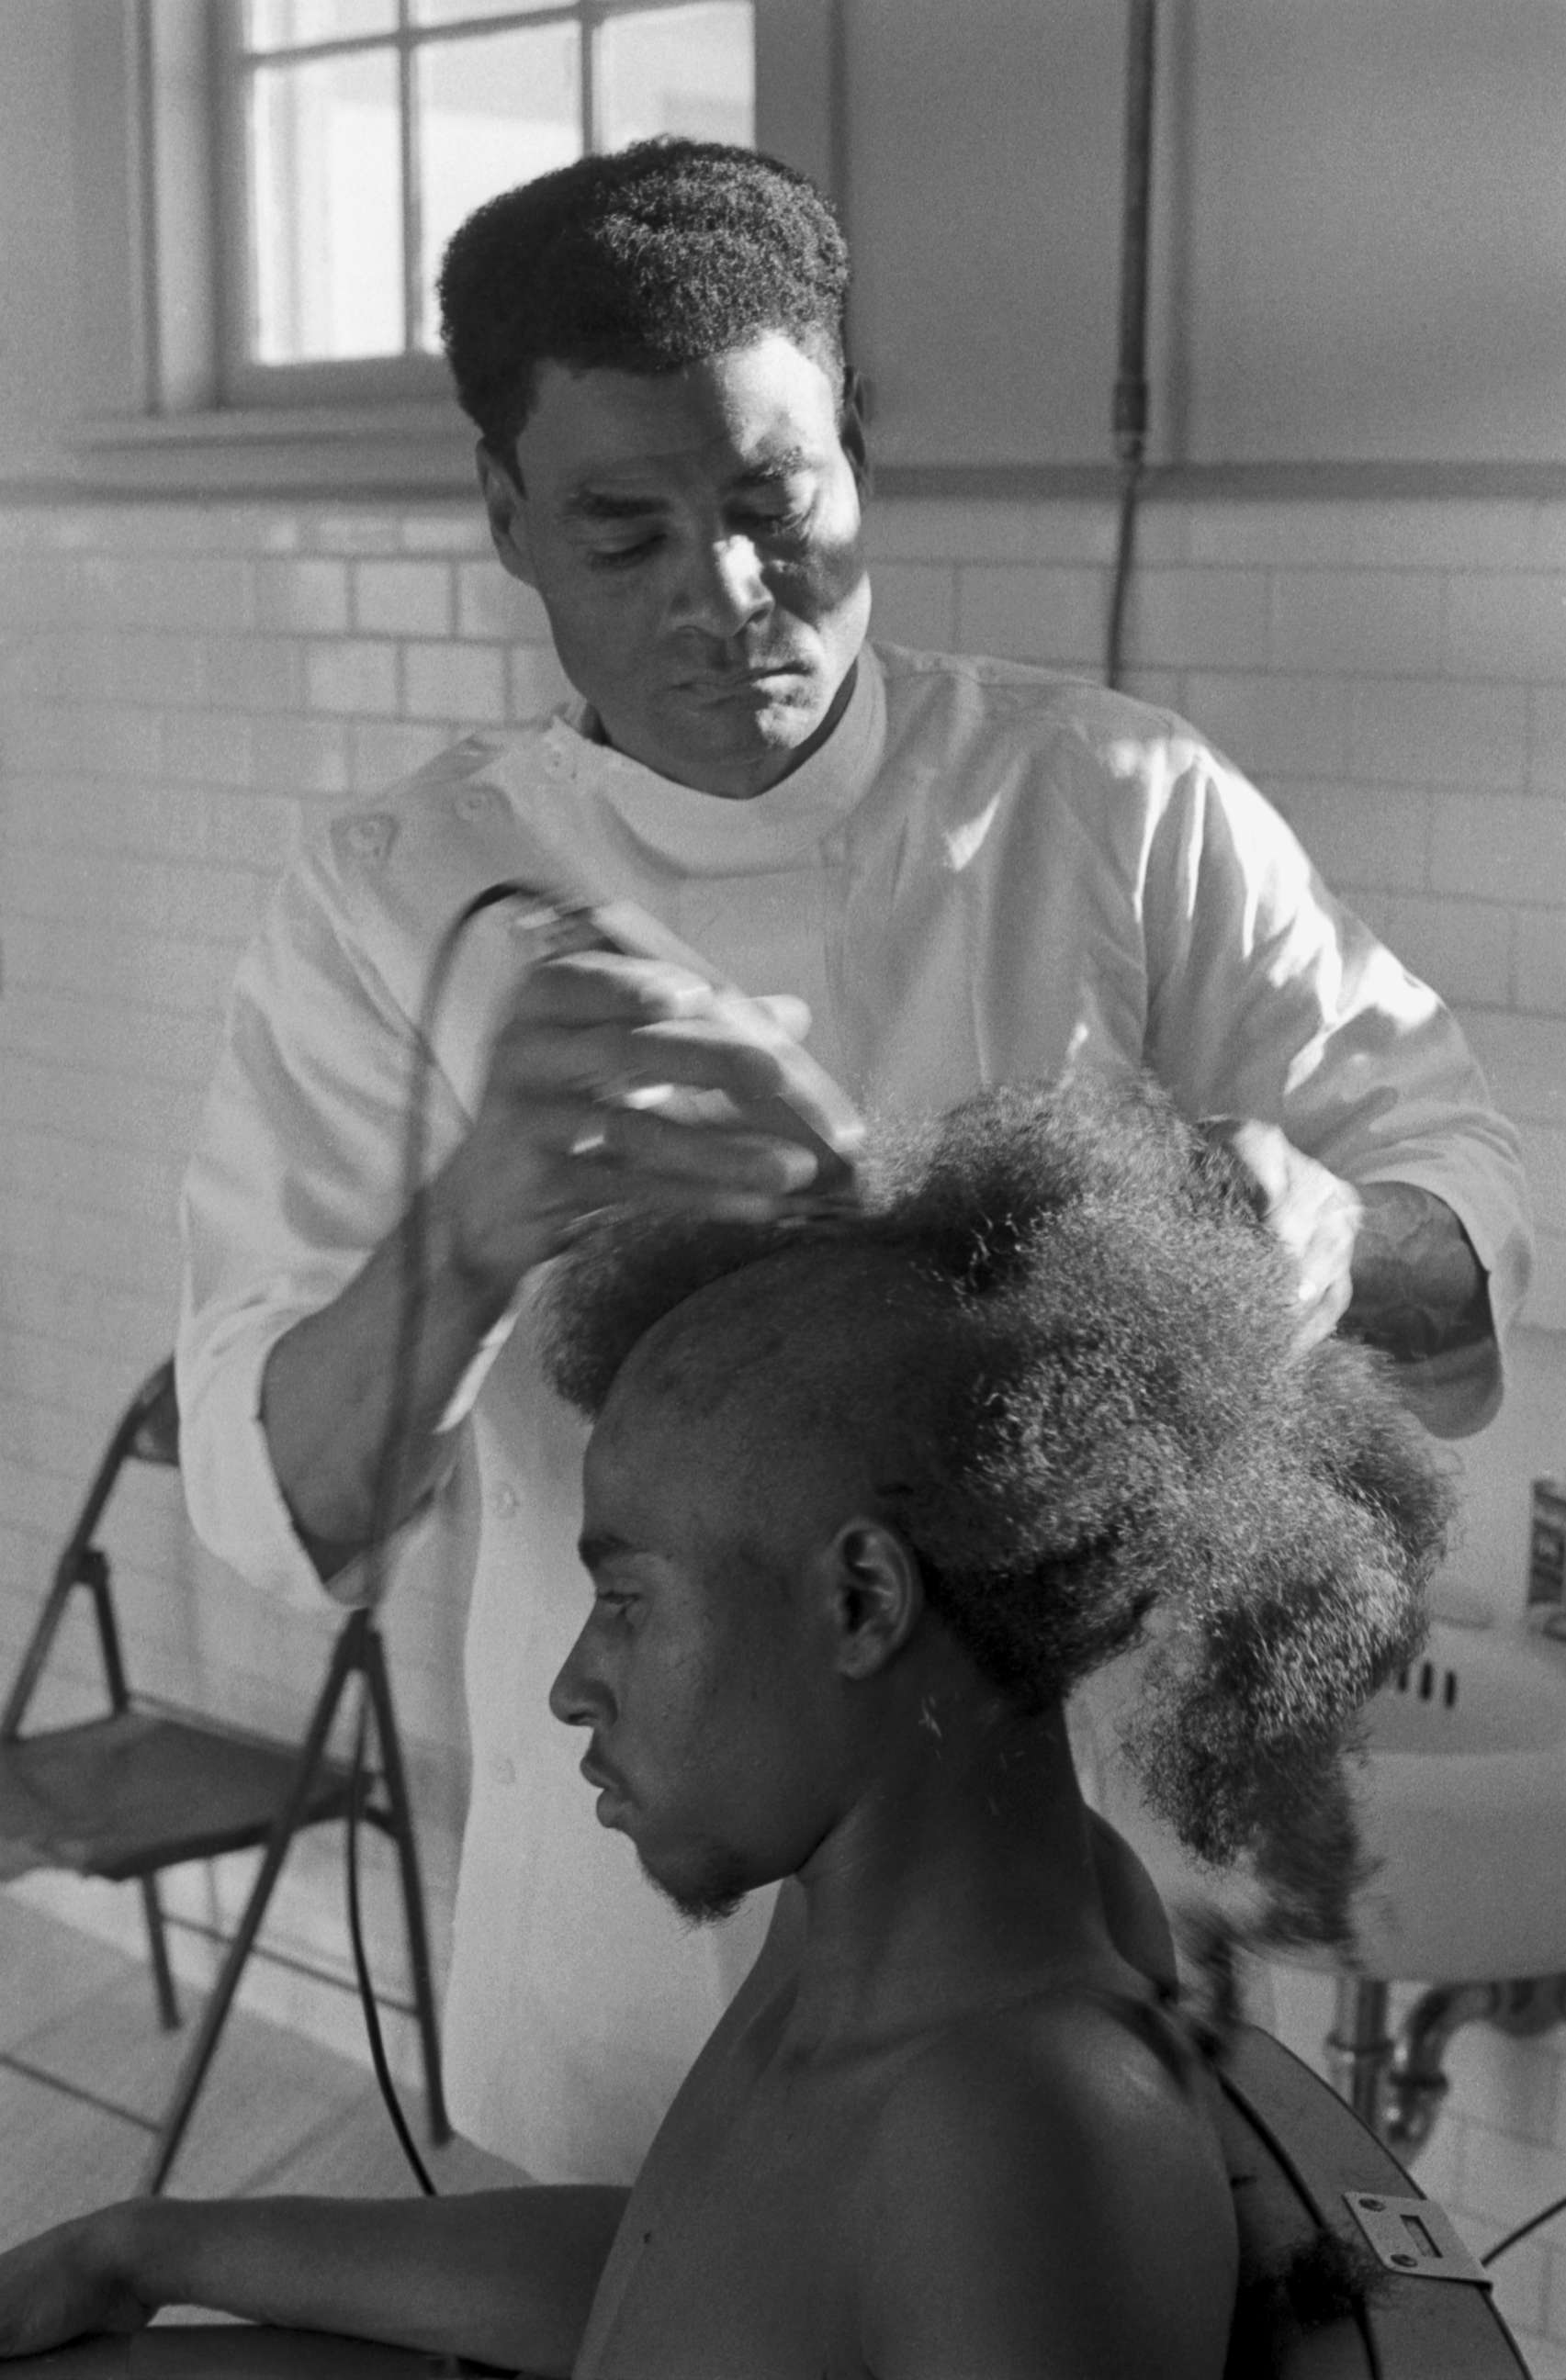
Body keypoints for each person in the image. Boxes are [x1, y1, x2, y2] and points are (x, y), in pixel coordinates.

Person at [175, 137, 1531, 2181]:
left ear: (856, 456)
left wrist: (1332, 1233)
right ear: (504, 519)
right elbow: (262, 1506)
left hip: (1072, 1936)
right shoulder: (395, 901)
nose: (725, 600)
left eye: (772, 505)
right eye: (624, 533)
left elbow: (1467, 1194)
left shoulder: (1108, 801)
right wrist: (469, 1237)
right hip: (622, 1964)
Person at [1, 1078, 1449, 2376]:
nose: (571, 1682)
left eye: (624, 1599)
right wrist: (143, 2250)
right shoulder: (872, 1927)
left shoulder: (1019, 2131)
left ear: (860, 1600)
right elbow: (690, 2271)